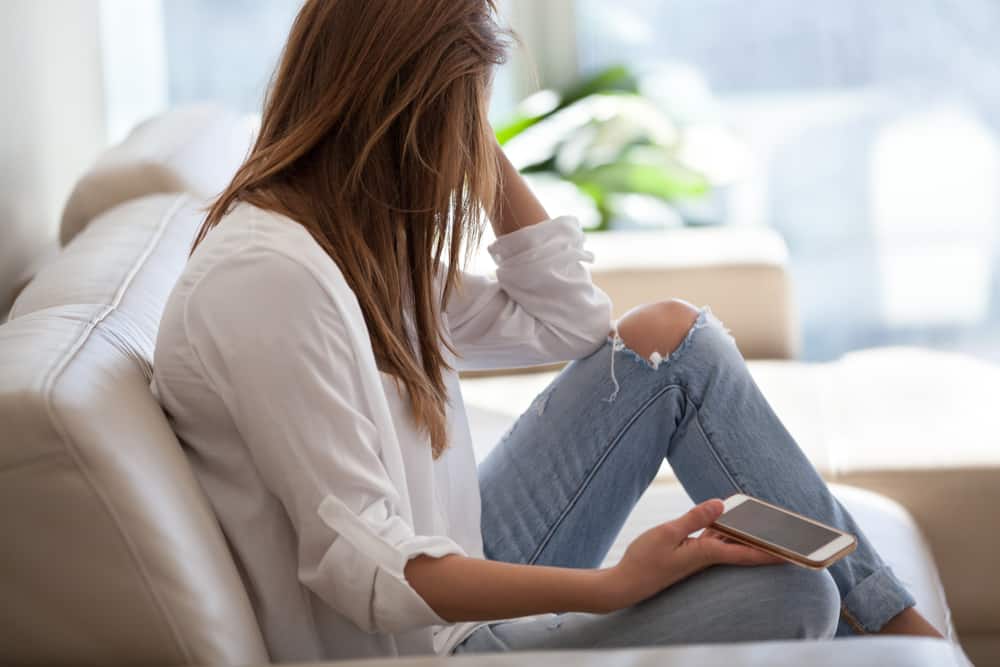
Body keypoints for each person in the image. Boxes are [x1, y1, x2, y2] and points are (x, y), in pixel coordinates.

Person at [150, 0, 943, 661]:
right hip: (428, 641)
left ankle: (902, 630)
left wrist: (471, 139)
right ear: (402, 117)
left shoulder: (349, 242)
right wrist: (613, 585)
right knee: (797, 588)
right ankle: (913, 642)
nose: (460, 157)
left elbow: (570, 320)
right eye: (461, 123)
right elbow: (369, 574)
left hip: (458, 561)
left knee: (667, 339)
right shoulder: (270, 281)